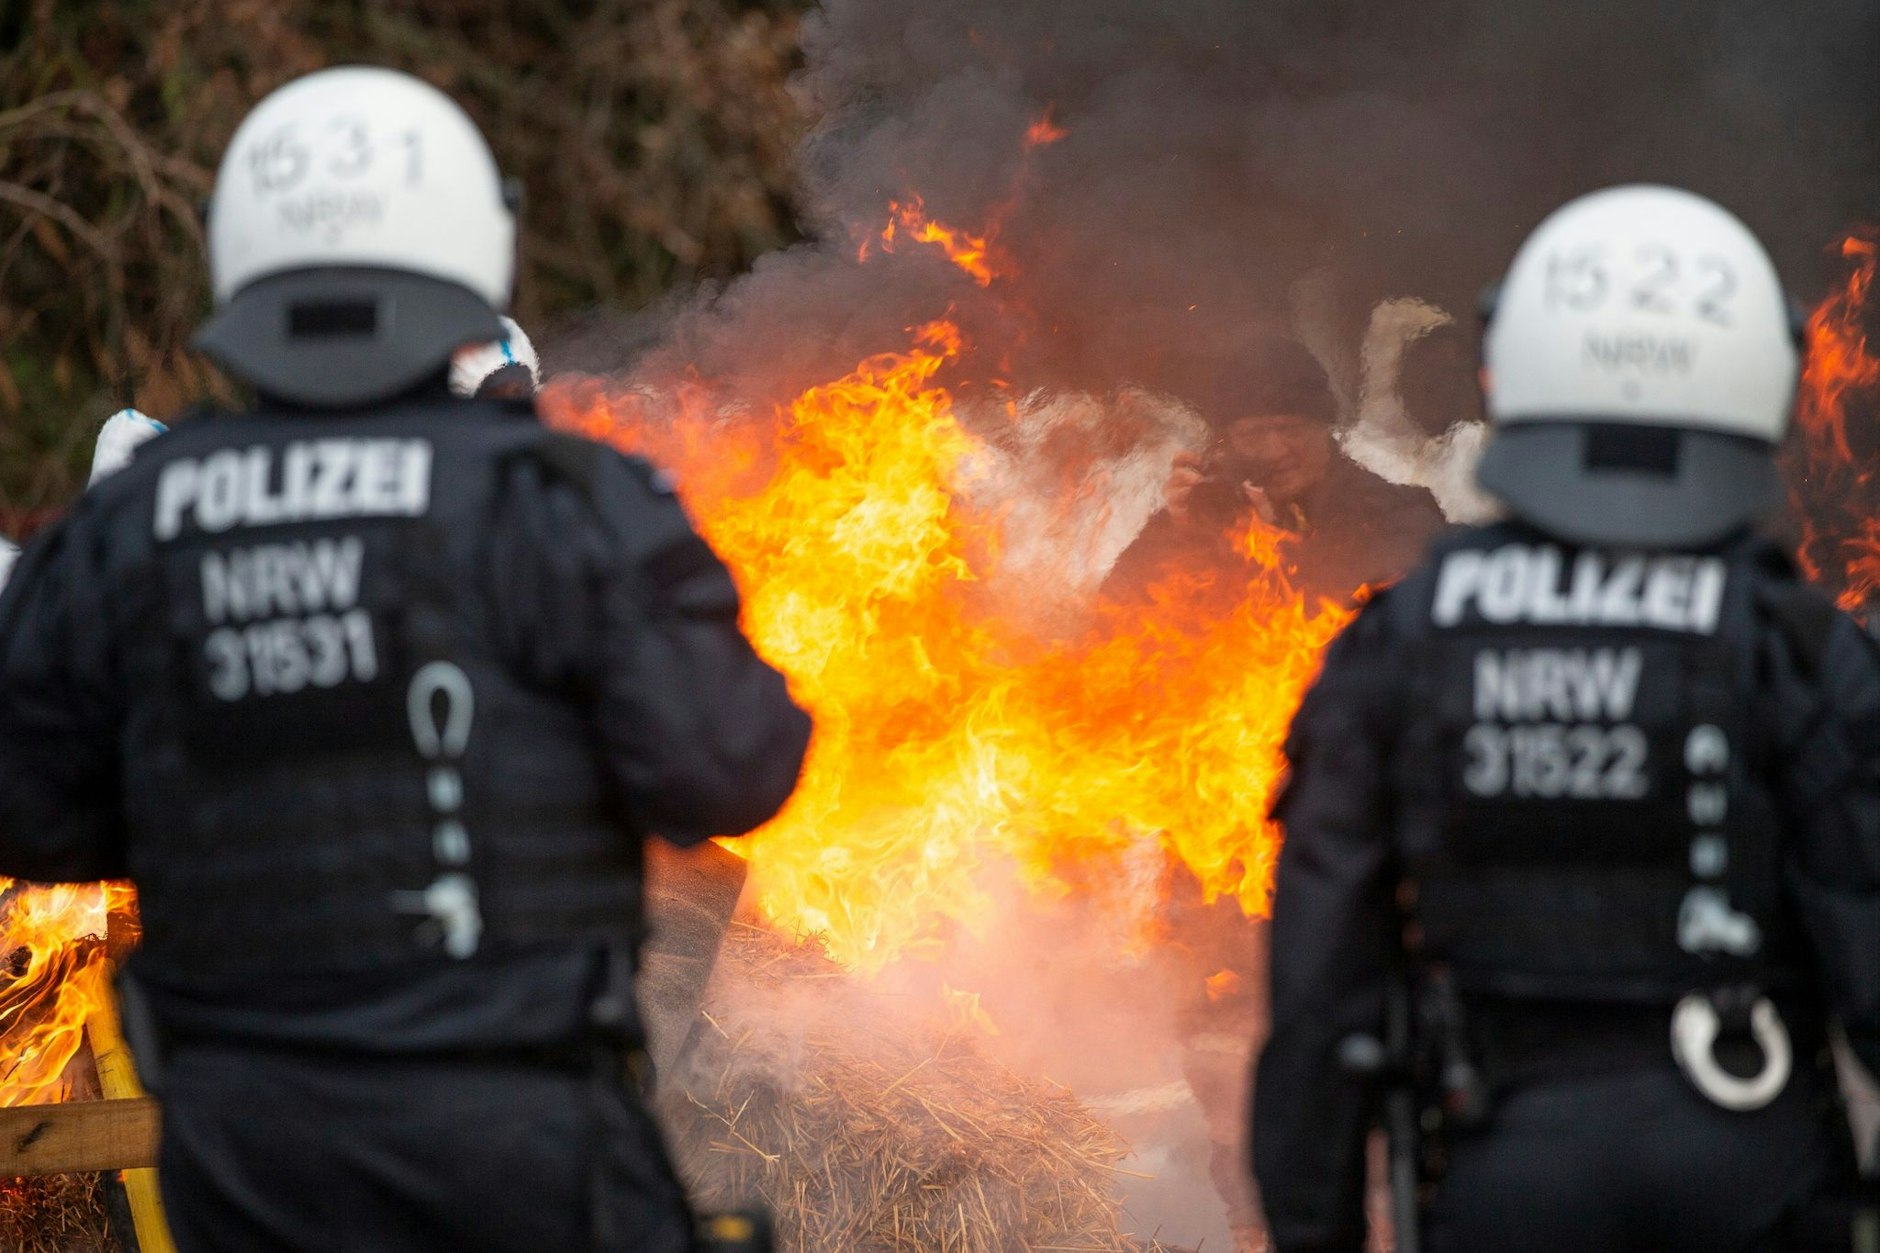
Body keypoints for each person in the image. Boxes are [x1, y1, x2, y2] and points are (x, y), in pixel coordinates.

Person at [0, 66, 811, 1252]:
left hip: (250, 1179)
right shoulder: (570, 508)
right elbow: (738, 766)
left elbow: (30, 806)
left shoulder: (140, 520)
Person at [1253, 185, 1880, 1252]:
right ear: (1755, 381)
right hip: (1755, 1176)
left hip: (1501, 1185)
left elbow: (1320, 1001)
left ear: (1513, 369)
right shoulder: (1799, 651)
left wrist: (1313, 1229)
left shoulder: (1397, 644)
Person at [1106, 336, 1444, 607]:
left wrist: (1273, 548)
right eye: (1254, 434)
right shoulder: (1204, 511)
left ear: (1323, 429)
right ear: (1229, 442)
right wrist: (1182, 537)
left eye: (1291, 429)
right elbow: (1111, 619)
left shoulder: (1386, 513)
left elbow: (1369, 622)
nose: (1275, 450)